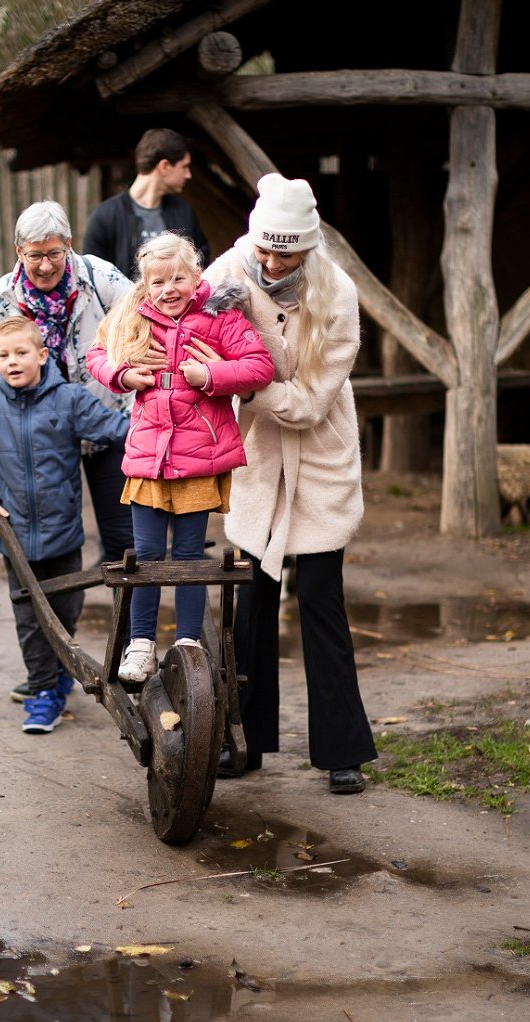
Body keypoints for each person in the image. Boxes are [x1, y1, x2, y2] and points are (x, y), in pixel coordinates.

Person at [202, 173, 378, 795]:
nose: (272, 262)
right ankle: (243, 742)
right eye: (266, 249)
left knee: (322, 602)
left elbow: (308, 403)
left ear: (308, 245)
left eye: (287, 252)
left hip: (319, 451)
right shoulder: (228, 270)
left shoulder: (337, 294)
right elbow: (187, 332)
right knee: (251, 604)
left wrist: (237, 379)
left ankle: (342, 750)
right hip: (259, 457)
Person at [86, 233, 274, 683]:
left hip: (198, 458)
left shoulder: (220, 315)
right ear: (144, 285)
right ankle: (141, 644)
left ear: (196, 276)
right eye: (158, 282)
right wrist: (123, 373)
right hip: (150, 457)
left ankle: (189, 640)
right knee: (148, 556)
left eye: (178, 278)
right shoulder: (133, 314)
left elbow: (259, 365)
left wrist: (209, 374)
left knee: (189, 554)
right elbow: (96, 354)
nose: (168, 289)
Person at [0, 201, 136, 701]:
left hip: (104, 421)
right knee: (45, 558)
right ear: (19, 252)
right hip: (38, 431)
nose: (45, 265)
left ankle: (129, 658)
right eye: (34, 255)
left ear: (69, 247)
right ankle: (53, 666)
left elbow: (147, 318)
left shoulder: (100, 278)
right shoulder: (4, 296)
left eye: (54, 254)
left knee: (124, 542)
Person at [0, 316, 131, 732]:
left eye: (21, 353)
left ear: (42, 355)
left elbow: (115, 427)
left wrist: (158, 423)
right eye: (3, 355)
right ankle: (42, 693)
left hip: (63, 534)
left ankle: (56, 676)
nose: (13, 362)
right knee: (29, 618)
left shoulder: (68, 400)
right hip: (14, 538)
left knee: (64, 613)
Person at [83, 128, 212, 277]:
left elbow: (201, 266)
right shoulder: (105, 217)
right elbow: (94, 278)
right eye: (184, 166)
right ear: (164, 166)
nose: (188, 175)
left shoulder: (184, 211)